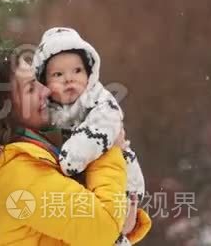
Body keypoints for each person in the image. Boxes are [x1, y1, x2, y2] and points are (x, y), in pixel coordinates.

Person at [0, 49, 151, 245]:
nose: (45, 90)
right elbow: (104, 226)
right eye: (31, 88)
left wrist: (121, 220)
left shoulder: (24, 158)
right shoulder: (16, 176)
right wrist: (107, 147)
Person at [33, 27, 146, 245]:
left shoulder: (98, 99)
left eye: (77, 71)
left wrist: (73, 156)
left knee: (116, 226)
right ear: (43, 83)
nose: (69, 80)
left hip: (118, 176)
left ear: (90, 72)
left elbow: (105, 125)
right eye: (58, 75)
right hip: (78, 195)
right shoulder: (44, 111)